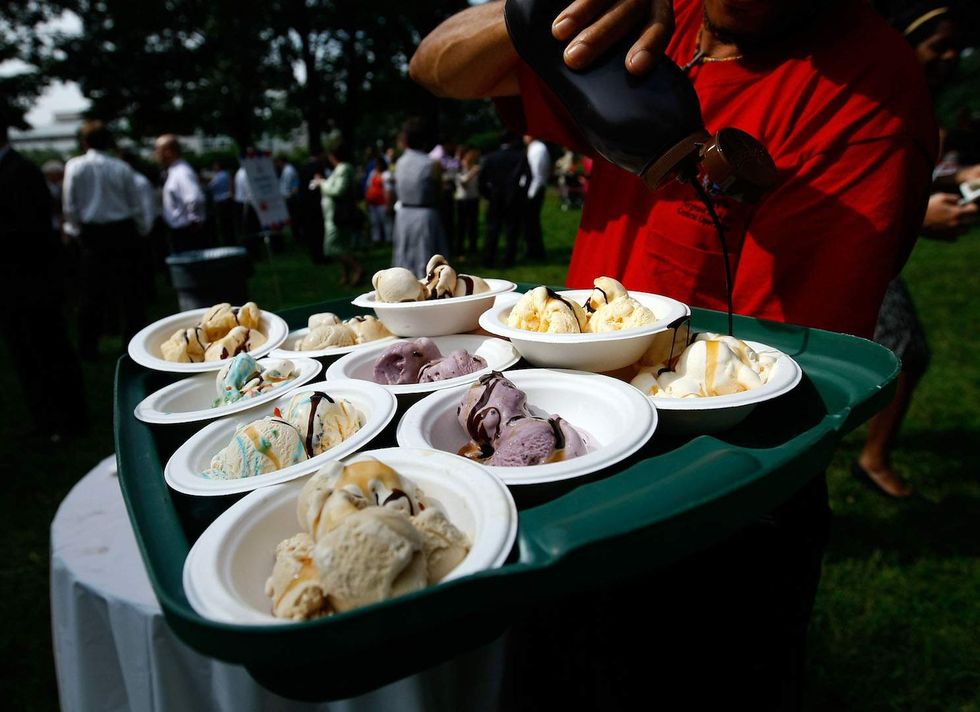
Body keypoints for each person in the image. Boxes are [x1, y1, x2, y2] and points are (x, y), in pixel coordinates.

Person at [411, 0, 937, 707]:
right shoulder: (655, 19)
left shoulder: (868, 91)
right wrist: (531, 13)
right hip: (561, 470)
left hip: (709, 527)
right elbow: (437, 66)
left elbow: (769, 398)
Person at [856, 1, 977, 497]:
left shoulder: (922, 99)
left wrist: (956, 178)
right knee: (905, 348)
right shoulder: (875, 97)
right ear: (905, 44)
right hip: (851, 245)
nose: (949, 56)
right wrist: (918, 215)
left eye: (954, 47)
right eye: (937, 45)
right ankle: (871, 457)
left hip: (876, 245)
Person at [0, 117, 87, 440]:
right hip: (17, 285)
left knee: (48, 353)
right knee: (27, 355)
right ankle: (47, 419)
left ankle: (66, 421)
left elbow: (33, 231)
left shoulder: (20, 171)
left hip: (32, 284)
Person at [63, 120, 151, 358]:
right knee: (130, 293)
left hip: (93, 234)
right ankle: (134, 346)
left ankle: (88, 347)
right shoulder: (121, 168)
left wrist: (74, 231)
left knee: (91, 293)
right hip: (123, 232)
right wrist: (142, 230)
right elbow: (136, 205)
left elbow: (70, 205)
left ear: (84, 142)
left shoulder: (75, 166)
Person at [391, 118, 448, 277]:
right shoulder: (431, 164)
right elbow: (439, 193)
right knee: (428, 258)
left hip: (404, 215)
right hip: (426, 215)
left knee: (404, 256)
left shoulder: (400, 162)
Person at [313, 143, 364, 285]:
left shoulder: (343, 168)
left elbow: (337, 190)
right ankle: (346, 275)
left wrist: (322, 183)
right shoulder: (341, 169)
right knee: (343, 246)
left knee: (332, 247)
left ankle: (357, 268)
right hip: (334, 214)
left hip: (338, 215)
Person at [478, 131, 530, 268]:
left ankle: (488, 258)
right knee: (512, 230)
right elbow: (529, 177)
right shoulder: (520, 157)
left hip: (495, 196)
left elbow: (481, 180)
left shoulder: (490, 157)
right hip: (514, 197)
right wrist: (522, 193)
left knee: (492, 229)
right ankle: (508, 258)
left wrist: (487, 195)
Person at [154, 134, 206, 253]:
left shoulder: (182, 172)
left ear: (168, 152)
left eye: (158, 149)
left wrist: (193, 222)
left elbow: (195, 198)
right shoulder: (175, 171)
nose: (155, 153)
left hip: (186, 232)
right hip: (182, 230)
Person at [296, 147, 327, 264]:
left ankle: (315, 256)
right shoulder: (317, 167)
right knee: (318, 232)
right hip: (315, 205)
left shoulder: (303, 167)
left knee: (311, 233)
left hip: (304, 205)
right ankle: (321, 256)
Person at [523, 135, 551, 259]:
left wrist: (530, 195)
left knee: (532, 222)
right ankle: (534, 250)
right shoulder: (536, 148)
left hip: (534, 191)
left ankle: (535, 251)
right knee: (531, 222)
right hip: (534, 189)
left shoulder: (537, 149)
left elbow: (537, 175)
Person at [454, 146, 482, 258]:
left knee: (473, 226)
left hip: (473, 199)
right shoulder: (459, 167)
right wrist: (472, 172)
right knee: (461, 227)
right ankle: (460, 251)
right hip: (462, 200)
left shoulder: (474, 167)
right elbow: (463, 182)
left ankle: (473, 249)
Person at [364, 156, 392, 244]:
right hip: (373, 202)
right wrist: (367, 200)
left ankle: (388, 239)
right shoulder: (373, 173)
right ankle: (376, 239)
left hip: (382, 202)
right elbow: (368, 187)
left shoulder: (387, 174)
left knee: (386, 222)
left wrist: (388, 203)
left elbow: (388, 190)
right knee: (374, 222)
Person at [208, 159, 235, 245]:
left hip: (221, 201)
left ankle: (228, 241)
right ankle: (232, 239)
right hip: (227, 199)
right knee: (230, 223)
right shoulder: (226, 174)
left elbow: (211, 186)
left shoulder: (219, 176)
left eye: (215, 165)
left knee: (224, 224)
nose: (213, 167)